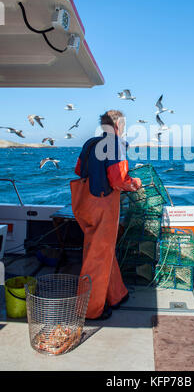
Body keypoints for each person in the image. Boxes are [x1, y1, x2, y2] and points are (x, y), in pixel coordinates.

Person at [70, 110, 142, 320]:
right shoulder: (116, 144)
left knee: (101, 250)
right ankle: (90, 310)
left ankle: (116, 295)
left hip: (84, 202)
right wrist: (135, 183)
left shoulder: (90, 143)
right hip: (103, 205)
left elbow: (78, 170)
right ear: (118, 125)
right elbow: (118, 180)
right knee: (98, 255)